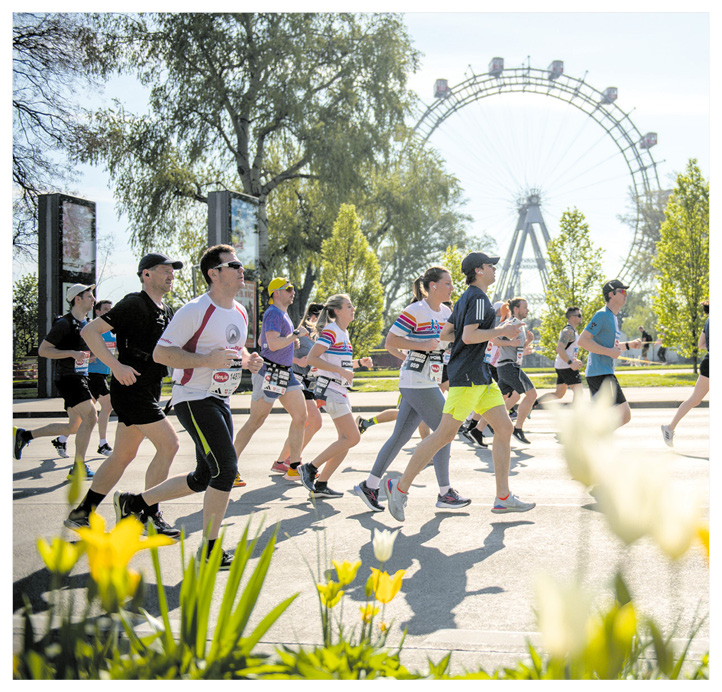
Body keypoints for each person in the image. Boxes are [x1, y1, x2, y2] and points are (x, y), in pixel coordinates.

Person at [114, 244, 263, 569]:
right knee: (226, 470)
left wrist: (248, 360)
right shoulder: (195, 310)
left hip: (220, 398)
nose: (241, 269)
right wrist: (205, 360)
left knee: (203, 476)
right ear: (214, 273)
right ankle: (210, 551)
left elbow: (233, 351)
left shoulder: (240, 311)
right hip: (193, 398)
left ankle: (134, 503)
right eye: (234, 265)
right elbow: (161, 354)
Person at [383, 251, 536, 521]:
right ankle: (400, 487)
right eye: (490, 265)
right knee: (443, 435)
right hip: (467, 378)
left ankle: (503, 497)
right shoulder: (477, 298)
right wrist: (501, 331)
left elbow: (447, 334)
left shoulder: (467, 298)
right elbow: (468, 335)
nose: (494, 269)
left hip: (481, 376)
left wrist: (490, 332)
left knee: (504, 428)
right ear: (479, 270)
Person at [63, 253, 183, 536]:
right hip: (132, 389)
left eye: (172, 271)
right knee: (170, 445)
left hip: (150, 388)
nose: (171, 275)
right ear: (146, 274)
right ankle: (147, 515)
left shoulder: (166, 310)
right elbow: (91, 331)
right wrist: (115, 366)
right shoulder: (134, 303)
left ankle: (82, 513)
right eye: (164, 270)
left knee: (122, 455)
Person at [352, 266, 470, 513]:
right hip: (416, 380)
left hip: (427, 379)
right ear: (433, 286)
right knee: (445, 431)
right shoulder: (415, 310)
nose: (452, 288)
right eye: (448, 283)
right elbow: (391, 342)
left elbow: (449, 341)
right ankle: (445, 492)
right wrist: (421, 346)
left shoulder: (446, 312)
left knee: (400, 437)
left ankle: (369, 485)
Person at [14, 284, 98, 480]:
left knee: (73, 427)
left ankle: (25, 435)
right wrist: (72, 353)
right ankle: (78, 467)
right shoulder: (64, 324)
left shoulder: (86, 324)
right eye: (90, 296)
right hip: (69, 378)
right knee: (91, 416)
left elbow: (82, 353)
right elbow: (43, 350)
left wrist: (90, 356)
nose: (94, 299)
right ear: (78, 299)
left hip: (80, 376)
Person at [231, 277, 310, 485]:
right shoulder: (273, 313)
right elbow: (273, 345)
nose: (293, 292)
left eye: (292, 289)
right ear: (276, 292)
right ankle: (229, 468)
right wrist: (295, 335)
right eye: (288, 289)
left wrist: (291, 340)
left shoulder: (281, 314)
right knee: (255, 421)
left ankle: (293, 467)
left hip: (285, 373)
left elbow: (263, 341)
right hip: (269, 373)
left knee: (301, 416)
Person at [296, 294, 372, 498]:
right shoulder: (331, 331)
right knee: (353, 437)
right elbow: (312, 358)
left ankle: (321, 484)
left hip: (340, 391)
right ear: (337, 311)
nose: (353, 309)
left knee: (345, 440)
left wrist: (359, 363)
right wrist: (340, 371)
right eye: (349, 306)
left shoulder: (342, 333)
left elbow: (338, 363)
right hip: (331, 390)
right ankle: (310, 468)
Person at [578, 280, 642, 428]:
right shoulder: (602, 315)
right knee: (624, 415)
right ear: (611, 294)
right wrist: (609, 352)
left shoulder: (613, 317)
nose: (626, 294)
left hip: (601, 373)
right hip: (600, 373)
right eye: (622, 291)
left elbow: (611, 348)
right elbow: (582, 340)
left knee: (604, 416)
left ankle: (589, 437)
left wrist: (629, 345)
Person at [272, 302, 325, 472]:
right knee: (314, 421)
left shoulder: (316, 337)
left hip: (308, 384)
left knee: (304, 422)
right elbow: (277, 352)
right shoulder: (300, 334)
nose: (327, 324)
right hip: (296, 381)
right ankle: (291, 459)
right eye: (324, 320)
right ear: (314, 317)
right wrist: (298, 361)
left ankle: (282, 461)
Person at [661, 300, 709, 446]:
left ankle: (669, 428)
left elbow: (701, 344)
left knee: (694, 400)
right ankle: (669, 428)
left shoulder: (708, 321)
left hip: (709, 362)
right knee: (694, 400)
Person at [494, 297, 537, 444]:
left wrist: (528, 342)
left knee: (500, 400)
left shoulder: (520, 325)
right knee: (532, 395)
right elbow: (494, 340)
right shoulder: (510, 323)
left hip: (509, 366)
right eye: (525, 307)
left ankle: (477, 429)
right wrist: (510, 343)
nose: (528, 310)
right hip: (508, 366)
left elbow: (517, 347)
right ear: (516, 309)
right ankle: (518, 428)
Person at [537, 307, 584, 406]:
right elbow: (559, 348)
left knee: (559, 394)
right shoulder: (568, 331)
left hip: (563, 365)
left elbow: (568, 350)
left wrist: (575, 360)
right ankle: (576, 413)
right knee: (579, 391)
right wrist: (571, 363)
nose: (581, 317)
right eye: (579, 315)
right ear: (572, 318)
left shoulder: (572, 331)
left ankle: (533, 403)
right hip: (567, 366)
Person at [87, 300, 115, 456]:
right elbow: (82, 349)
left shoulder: (111, 330)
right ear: (97, 312)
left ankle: (62, 438)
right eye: (105, 309)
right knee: (108, 404)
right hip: (92, 374)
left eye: (110, 309)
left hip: (103, 373)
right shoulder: (92, 328)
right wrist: (90, 356)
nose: (109, 312)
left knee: (85, 413)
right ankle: (103, 444)